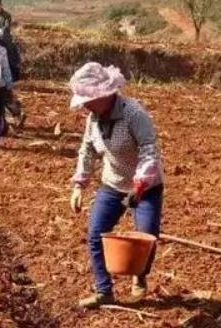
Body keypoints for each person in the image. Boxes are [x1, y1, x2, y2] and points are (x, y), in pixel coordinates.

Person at [69, 62, 164, 309]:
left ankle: (139, 273)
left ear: (105, 95)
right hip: (112, 184)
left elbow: (149, 150)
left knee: (147, 235)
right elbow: (87, 150)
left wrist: (141, 184)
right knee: (95, 235)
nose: (85, 106)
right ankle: (104, 291)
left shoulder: (134, 114)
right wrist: (79, 183)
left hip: (146, 187)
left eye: (88, 100)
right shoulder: (94, 118)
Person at [0, 0, 26, 130]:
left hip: (4, 44)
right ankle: (15, 115)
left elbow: (5, 30)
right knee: (5, 95)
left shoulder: (6, 16)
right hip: (1, 73)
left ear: (0, 4)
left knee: (2, 95)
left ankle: (7, 119)